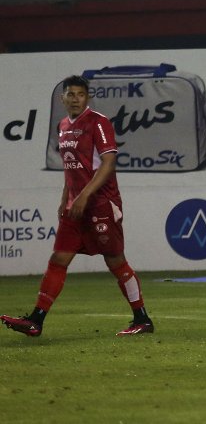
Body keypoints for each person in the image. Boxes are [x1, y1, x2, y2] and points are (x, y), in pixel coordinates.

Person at [1, 76, 154, 337]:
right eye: (70, 94)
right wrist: (66, 197)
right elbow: (71, 167)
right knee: (58, 258)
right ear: (63, 98)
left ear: (87, 97)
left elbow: (108, 163)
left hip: (101, 203)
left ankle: (142, 318)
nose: (75, 99)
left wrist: (83, 196)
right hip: (76, 205)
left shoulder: (99, 122)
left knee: (115, 260)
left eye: (80, 94)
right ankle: (37, 319)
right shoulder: (63, 125)